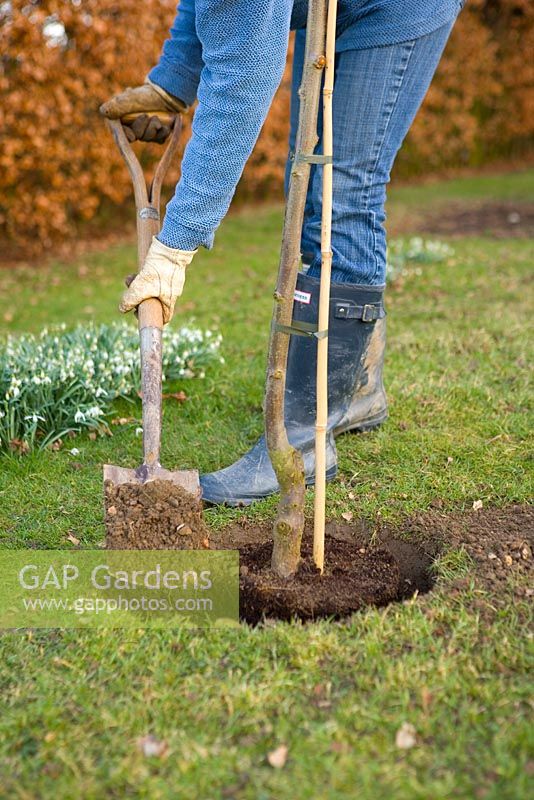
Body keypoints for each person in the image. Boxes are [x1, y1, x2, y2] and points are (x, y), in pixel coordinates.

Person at [101, 0, 463, 506]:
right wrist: (172, 83)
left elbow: (245, 76)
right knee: (316, 184)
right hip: (331, 13)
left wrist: (174, 248)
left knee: (343, 197)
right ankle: (358, 390)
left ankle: (303, 440)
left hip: (396, 9)